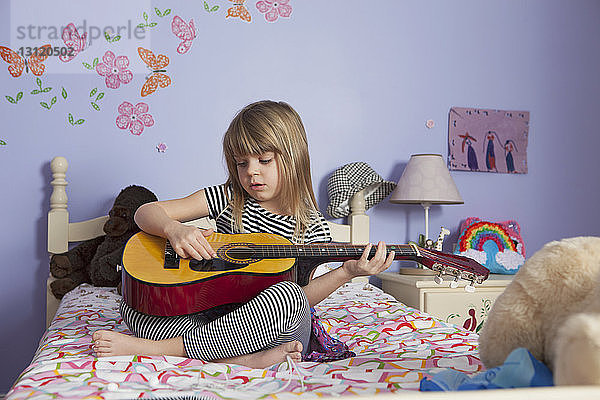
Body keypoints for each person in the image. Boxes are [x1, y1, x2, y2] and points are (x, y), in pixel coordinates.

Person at [92, 100, 394, 368]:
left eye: (264, 160)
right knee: (135, 308)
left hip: (268, 327)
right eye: (241, 163)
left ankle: (164, 350)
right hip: (213, 316)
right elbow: (144, 212)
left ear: (293, 158)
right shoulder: (228, 198)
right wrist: (174, 229)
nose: (251, 172)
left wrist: (348, 272)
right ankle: (241, 359)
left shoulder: (310, 226)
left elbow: (303, 298)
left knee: (290, 298)